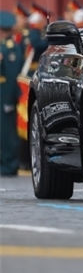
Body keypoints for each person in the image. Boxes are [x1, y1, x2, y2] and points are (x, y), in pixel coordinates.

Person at [1, 11, 24, 176]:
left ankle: (10, 164)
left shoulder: (10, 49)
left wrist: (9, 99)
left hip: (4, 94)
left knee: (7, 132)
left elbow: (11, 76)